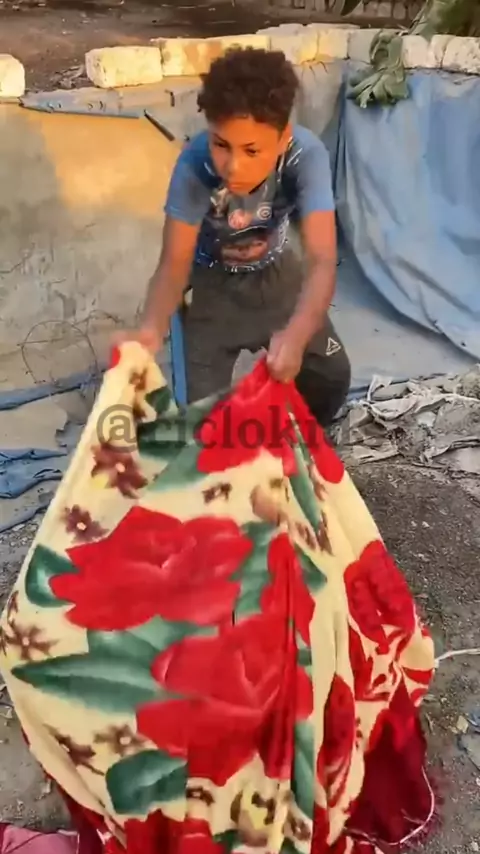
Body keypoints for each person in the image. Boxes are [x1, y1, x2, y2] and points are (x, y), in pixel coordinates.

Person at [120, 46, 351, 428]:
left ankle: (296, 437)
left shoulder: (304, 156)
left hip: (278, 278)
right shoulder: (195, 164)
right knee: (202, 425)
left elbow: (322, 260)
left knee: (332, 378)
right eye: (221, 144)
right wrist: (150, 329)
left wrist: (295, 335)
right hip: (214, 289)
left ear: (283, 139)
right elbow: (173, 264)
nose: (233, 166)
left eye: (252, 150)